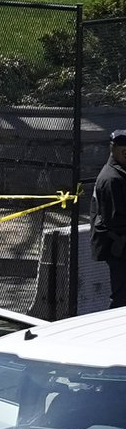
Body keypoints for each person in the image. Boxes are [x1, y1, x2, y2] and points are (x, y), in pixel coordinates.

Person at [92, 128, 126, 309]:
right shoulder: (112, 179)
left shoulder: (119, 174)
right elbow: (115, 220)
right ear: (123, 152)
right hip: (120, 249)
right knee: (121, 299)